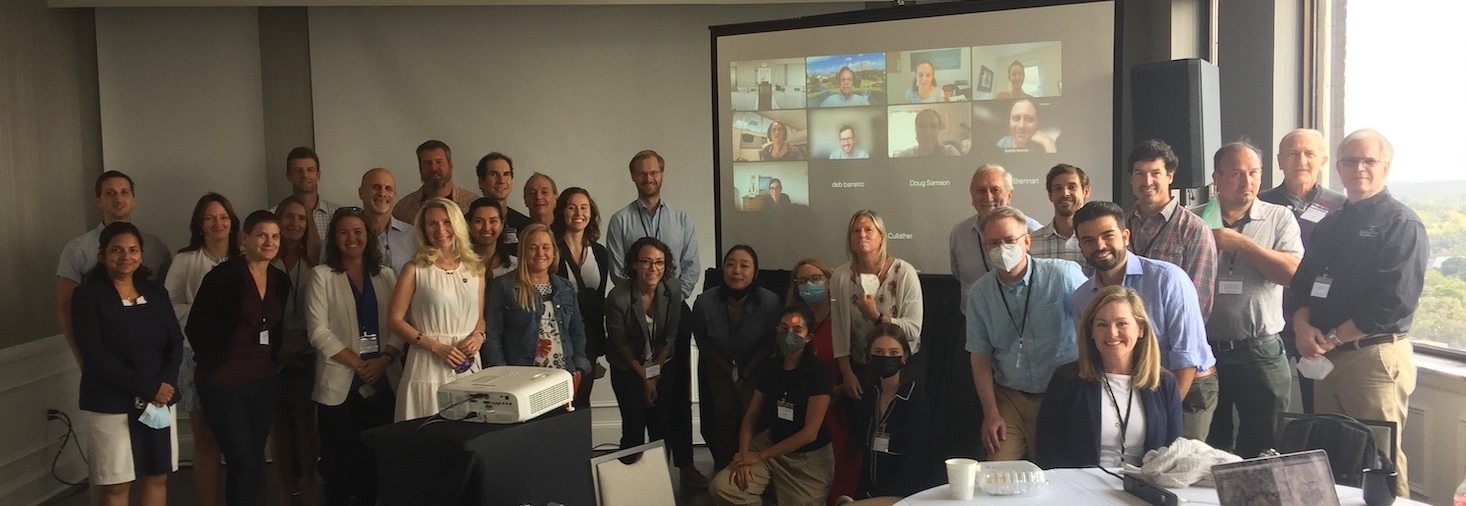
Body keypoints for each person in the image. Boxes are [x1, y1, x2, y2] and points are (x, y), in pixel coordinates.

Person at [1290, 129, 1426, 497]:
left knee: (1378, 464)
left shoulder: (1402, 224)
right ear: (1337, 167)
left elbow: (1392, 302)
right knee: (1331, 459)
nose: (1360, 168)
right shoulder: (1330, 223)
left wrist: (1332, 338)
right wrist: (1302, 327)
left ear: (1386, 167)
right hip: (1323, 359)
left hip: (1371, 359)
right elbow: (1301, 284)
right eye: (1351, 160)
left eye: (1369, 160)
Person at [1072, 201, 1216, 442]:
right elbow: (1092, 355)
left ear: (1125, 236)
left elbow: (1186, 355)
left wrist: (1162, 414)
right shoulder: (1081, 297)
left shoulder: (1167, 279)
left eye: (1108, 236)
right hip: (1123, 389)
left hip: (1186, 387)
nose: (1099, 246)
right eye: (1088, 240)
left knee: (1174, 466)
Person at [605, 150, 705, 486]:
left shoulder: (681, 218)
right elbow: (619, 270)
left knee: (676, 395)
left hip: (672, 311)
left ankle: (686, 466)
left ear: (662, 174)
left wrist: (670, 298)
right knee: (638, 401)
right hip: (632, 317)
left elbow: (691, 265)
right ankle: (636, 474)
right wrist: (641, 300)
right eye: (642, 174)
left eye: (654, 172)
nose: (649, 179)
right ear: (633, 177)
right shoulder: (620, 220)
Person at [1202, 141, 1303, 458]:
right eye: (1236, 173)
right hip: (1205, 351)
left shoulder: (1279, 218)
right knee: (1207, 446)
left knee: (1265, 446)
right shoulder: (1194, 220)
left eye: (1254, 173)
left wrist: (1242, 245)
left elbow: (1291, 275)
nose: (1247, 182)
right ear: (1216, 177)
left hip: (1259, 350)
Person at [73, 222, 183, 506]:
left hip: (159, 401)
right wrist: (149, 387)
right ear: (102, 256)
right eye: (116, 250)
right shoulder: (88, 297)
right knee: (117, 483)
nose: (126, 256)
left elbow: (175, 344)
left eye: (133, 250)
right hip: (111, 402)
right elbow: (95, 355)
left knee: (157, 476)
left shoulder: (156, 293)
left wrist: (165, 385)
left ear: (142, 255)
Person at [186, 210, 291, 506]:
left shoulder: (280, 281)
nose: (269, 242)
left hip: (264, 379)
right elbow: (197, 327)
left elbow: (276, 329)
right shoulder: (223, 276)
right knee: (241, 457)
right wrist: (214, 362)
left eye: (275, 236)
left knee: (254, 457)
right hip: (224, 381)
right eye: (261, 235)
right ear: (245, 238)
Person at [965, 206, 1087, 461]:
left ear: (1027, 241)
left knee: (1058, 476)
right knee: (998, 473)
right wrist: (990, 412)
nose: (1002, 248)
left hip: (1061, 395)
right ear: (986, 248)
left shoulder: (1063, 275)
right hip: (1011, 398)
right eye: (994, 243)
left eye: (1009, 241)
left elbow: (1090, 330)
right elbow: (980, 358)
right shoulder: (979, 294)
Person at [305, 207, 401, 506]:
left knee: (376, 465)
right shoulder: (322, 276)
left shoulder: (385, 275)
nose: (351, 238)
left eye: (358, 231)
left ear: (368, 236)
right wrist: (358, 363)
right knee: (339, 466)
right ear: (334, 238)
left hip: (383, 381)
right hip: (340, 385)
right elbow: (318, 331)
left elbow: (399, 324)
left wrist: (384, 359)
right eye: (344, 232)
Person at [1035, 285, 1183, 469]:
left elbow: (1173, 452)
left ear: (1141, 330)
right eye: (1102, 324)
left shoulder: (1164, 383)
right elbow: (1048, 449)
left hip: (1143, 489)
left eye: (1121, 323)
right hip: (1080, 490)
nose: (1112, 333)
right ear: (1091, 332)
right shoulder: (1066, 380)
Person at [1258, 128, 1347, 414]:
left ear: (1323, 160)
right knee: (1268, 405)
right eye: (1293, 153)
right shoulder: (1260, 204)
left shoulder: (1342, 207)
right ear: (1280, 160)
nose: (1302, 160)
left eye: (1310, 154)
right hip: (1270, 321)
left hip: (1320, 324)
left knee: (1318, 407)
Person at [710, 305, 835, 506]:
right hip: (771, 443)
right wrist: (744, 455)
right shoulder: (771, 366)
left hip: (807, 458)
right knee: (723, 488)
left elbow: (810, 433)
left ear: (809, 337)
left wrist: (758, 456)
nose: (788, 335)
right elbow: (751, 417)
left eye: (797, 330)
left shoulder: (818, 373)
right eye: (784, 328)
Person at [164, 193, 237, 506]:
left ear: (232, 222)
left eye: (223, 216)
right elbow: (169, 304)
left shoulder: (246, 256)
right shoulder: (185, 259)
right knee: (206, 439)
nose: (217, 223)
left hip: (240, 357)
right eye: (210, 218)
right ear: (200, 225)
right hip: (196, 356)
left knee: (240, 440)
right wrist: (204, 312)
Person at [58, 171, 172, 366]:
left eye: (124, 192)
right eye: (110, 193)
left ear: (133, 199)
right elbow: (65, 306)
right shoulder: (77, 248)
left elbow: (166, 305)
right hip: (102, 356)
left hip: (150, 357)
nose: (118, 198)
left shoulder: (155, 246)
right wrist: (82, 359)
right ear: (98, 200)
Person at [387, 198, 486, 421]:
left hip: (467, 364)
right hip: (427, 365)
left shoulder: (475, 269)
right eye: (432, 223)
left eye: (446, 222)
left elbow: (479, 318)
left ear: (457, 225)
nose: (440, 229)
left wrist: (479, 335)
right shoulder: (414, 269)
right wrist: (435, 347)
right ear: (424, 229)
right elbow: (394, 320)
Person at [692, 245, 782, 470]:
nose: (736, 271)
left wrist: (744, 374)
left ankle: (755, 467)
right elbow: (703, 342)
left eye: (744, 265)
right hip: (719, 363)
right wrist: (731, 373)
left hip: (757, 363)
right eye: (730, 264)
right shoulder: (704, 303)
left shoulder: (770, 302)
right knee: (724, 414)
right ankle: (725, 468)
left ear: (755, 273)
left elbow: (769, 344)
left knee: (752, 412)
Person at [831, 210, 923, 401]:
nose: (861, 235)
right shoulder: (840, 277)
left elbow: (913, 330)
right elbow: (838, 330)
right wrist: (847, 373)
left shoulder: (904, 272)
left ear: (881, 237)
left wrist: (877, 317)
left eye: (868, 230)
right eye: (856, 231)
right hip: (862, 367)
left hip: (900, 367)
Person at [786, 258, 858, 502]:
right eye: (803, 281)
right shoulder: (793, 322)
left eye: (815, 279)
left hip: (839, 411)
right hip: (800, 410)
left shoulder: (843, 318)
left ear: (828, 282)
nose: (809, 285)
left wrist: (833, 394)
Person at [1125, 139, 1218, 320]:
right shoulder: (1120, 225)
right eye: (1140, 174)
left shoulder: (1194, 229)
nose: (1147, 181)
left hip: (1170, 341)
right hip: (1124, 338)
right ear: (1131, 179)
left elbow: (1198, 301)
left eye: (1155, 173)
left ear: (1170, 176)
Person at [605, 237, 680, 454]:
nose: (653, 268)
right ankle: (630, 483)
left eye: (659, 262)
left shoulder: (672, 288)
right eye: (646, 262)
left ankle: (661, 484)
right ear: (633, 264)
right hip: (628, 367)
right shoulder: (618, 298)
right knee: (634, 427)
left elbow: (671, 335)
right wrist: (645, 379)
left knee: (662, 425)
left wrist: (655, 375)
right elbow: (620, 345)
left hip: (662, 362)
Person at [485, 223, 590, 377]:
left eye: (546, 247)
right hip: (521, 378)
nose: (540, 253)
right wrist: (503, 374)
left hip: (562, 375)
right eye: (533, 248)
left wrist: (579, 368)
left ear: (554, 252)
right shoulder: (503, 286)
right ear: (522, 252)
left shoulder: (565, 287)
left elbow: (577, 331)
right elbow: (492, 335)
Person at [269, 196, 321, 504]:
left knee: (304, 420)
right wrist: (278, 349)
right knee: (279, 421)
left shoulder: (317, 259)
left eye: (301, 218)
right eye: (288, 216)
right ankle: (286, 489)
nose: (294, 223)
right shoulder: (265, 259)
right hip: (270, 353)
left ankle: (310, 484)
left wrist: (300, 345)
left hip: (308, 350)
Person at [851, 325, 938, 503]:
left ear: (904, 356)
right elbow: (866, 455)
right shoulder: (870, 396)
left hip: (905, 494)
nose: (886, 358)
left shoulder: (915, 400)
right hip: (870, 492)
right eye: (879, 352)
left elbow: (914, 462)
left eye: (893, 352)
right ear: (869, 355)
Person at [949, 165, 1044, 299]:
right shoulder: (959, 234)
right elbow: (959, 276)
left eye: (995, 190)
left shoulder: (1035, 232)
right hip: (975, 318)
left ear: (1009, 195)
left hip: (1024, 317)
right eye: (981, 191)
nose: (988, 197)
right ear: (972, 196)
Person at [553, 187, 609, 408]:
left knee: (583, 397)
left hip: (589, 338)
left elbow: (600, 298)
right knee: (561, 399)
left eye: (584, 207)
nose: (579, 213)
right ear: (562, 212)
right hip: (560, 336)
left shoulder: (600, 253)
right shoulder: (553, 251)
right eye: (572, 207)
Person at [391, 140, 479, 223]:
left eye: (439, 162)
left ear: (450, 165)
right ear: (420, 168)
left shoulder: (472, 204)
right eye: (427, 163)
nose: (433, 168)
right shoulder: (402, 210)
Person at [1031, 164, 1092, 274]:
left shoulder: (1097, 242)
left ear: (1085, 192)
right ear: (1050, 195)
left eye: (1072, 187)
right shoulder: (1031, 243)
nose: (1065, 193)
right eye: (1058, 188)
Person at [358, 168, 417, 274]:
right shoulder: (343, 236)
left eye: (388, 189)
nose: (382, 193)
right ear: (361, 193)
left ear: (394, 195)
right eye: (376, 187)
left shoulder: (414, 236)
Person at [282, 147, 340, 244]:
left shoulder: (337, 214)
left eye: (310, 170)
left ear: (318, 175)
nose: (304, 175)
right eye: (298, 170)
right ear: (289, 176)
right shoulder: (275, 215)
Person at [475, 151, 532, 238]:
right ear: (481, 182)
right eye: (493, 174)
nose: (501, 181)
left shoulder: (525, 226)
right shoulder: (465, 224)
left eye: (506, 174)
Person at [466, 198, 518, 279]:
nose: (486, 228)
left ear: (502, 225)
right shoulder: (457, 264)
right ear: (469, 224)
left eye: (493, 221)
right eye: (479, 221)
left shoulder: (515, 266)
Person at [891, 109, 959, 157]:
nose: (927, 133)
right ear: (916, 130)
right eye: (922, 126)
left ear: (938, 130)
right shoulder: (904, 156)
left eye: (933, 127)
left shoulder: (950, 153)